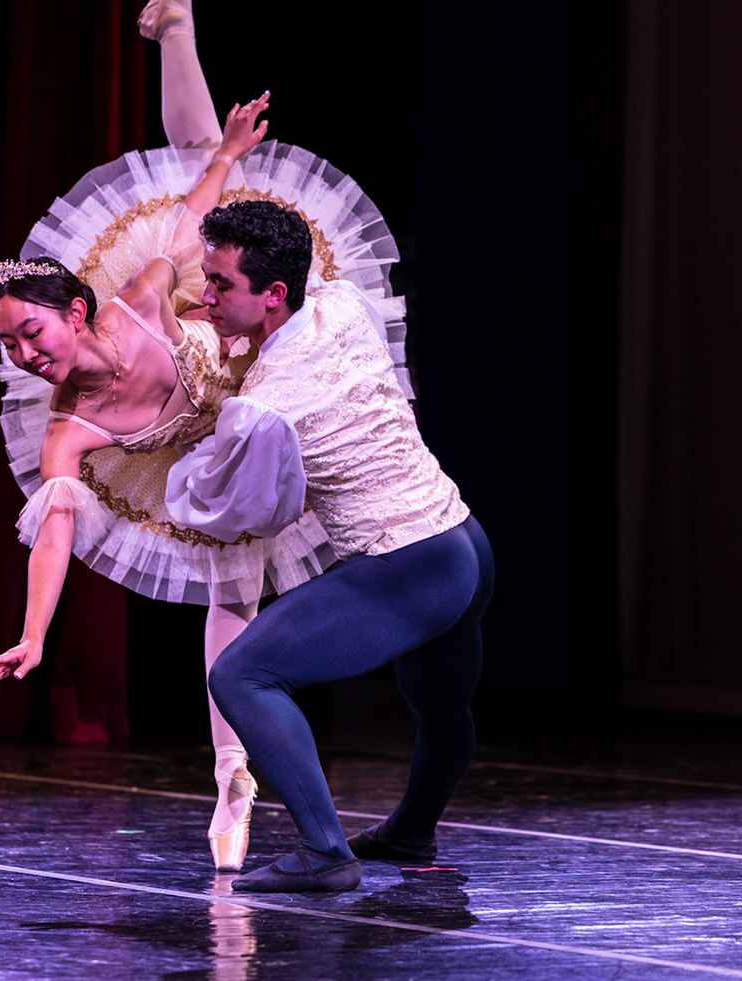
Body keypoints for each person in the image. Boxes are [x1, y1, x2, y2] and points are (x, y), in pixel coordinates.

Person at [0, 0, 409, 872]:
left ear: (76, 309)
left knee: (199, 171)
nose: (23, 355)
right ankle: (231, 779)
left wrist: (232, 157)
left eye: (31, 334)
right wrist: (32, 634)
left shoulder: (138, 297)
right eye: (9, 346)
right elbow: (54, 528)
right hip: (210, 465)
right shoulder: (71, 427)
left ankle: (177, 27)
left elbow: (184, 222)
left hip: (253, 373)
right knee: (232, 590)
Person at [165, 196, 495, 893]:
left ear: (274, 292)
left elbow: (239, 511)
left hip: (408, 562)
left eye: (220, 284)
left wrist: (185, 452)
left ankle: (324, 852)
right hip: (462, 538)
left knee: (240, 676)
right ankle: (411, 829)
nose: (206, 297)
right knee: (441, 709)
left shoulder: (264, 406)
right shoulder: (342, 303)